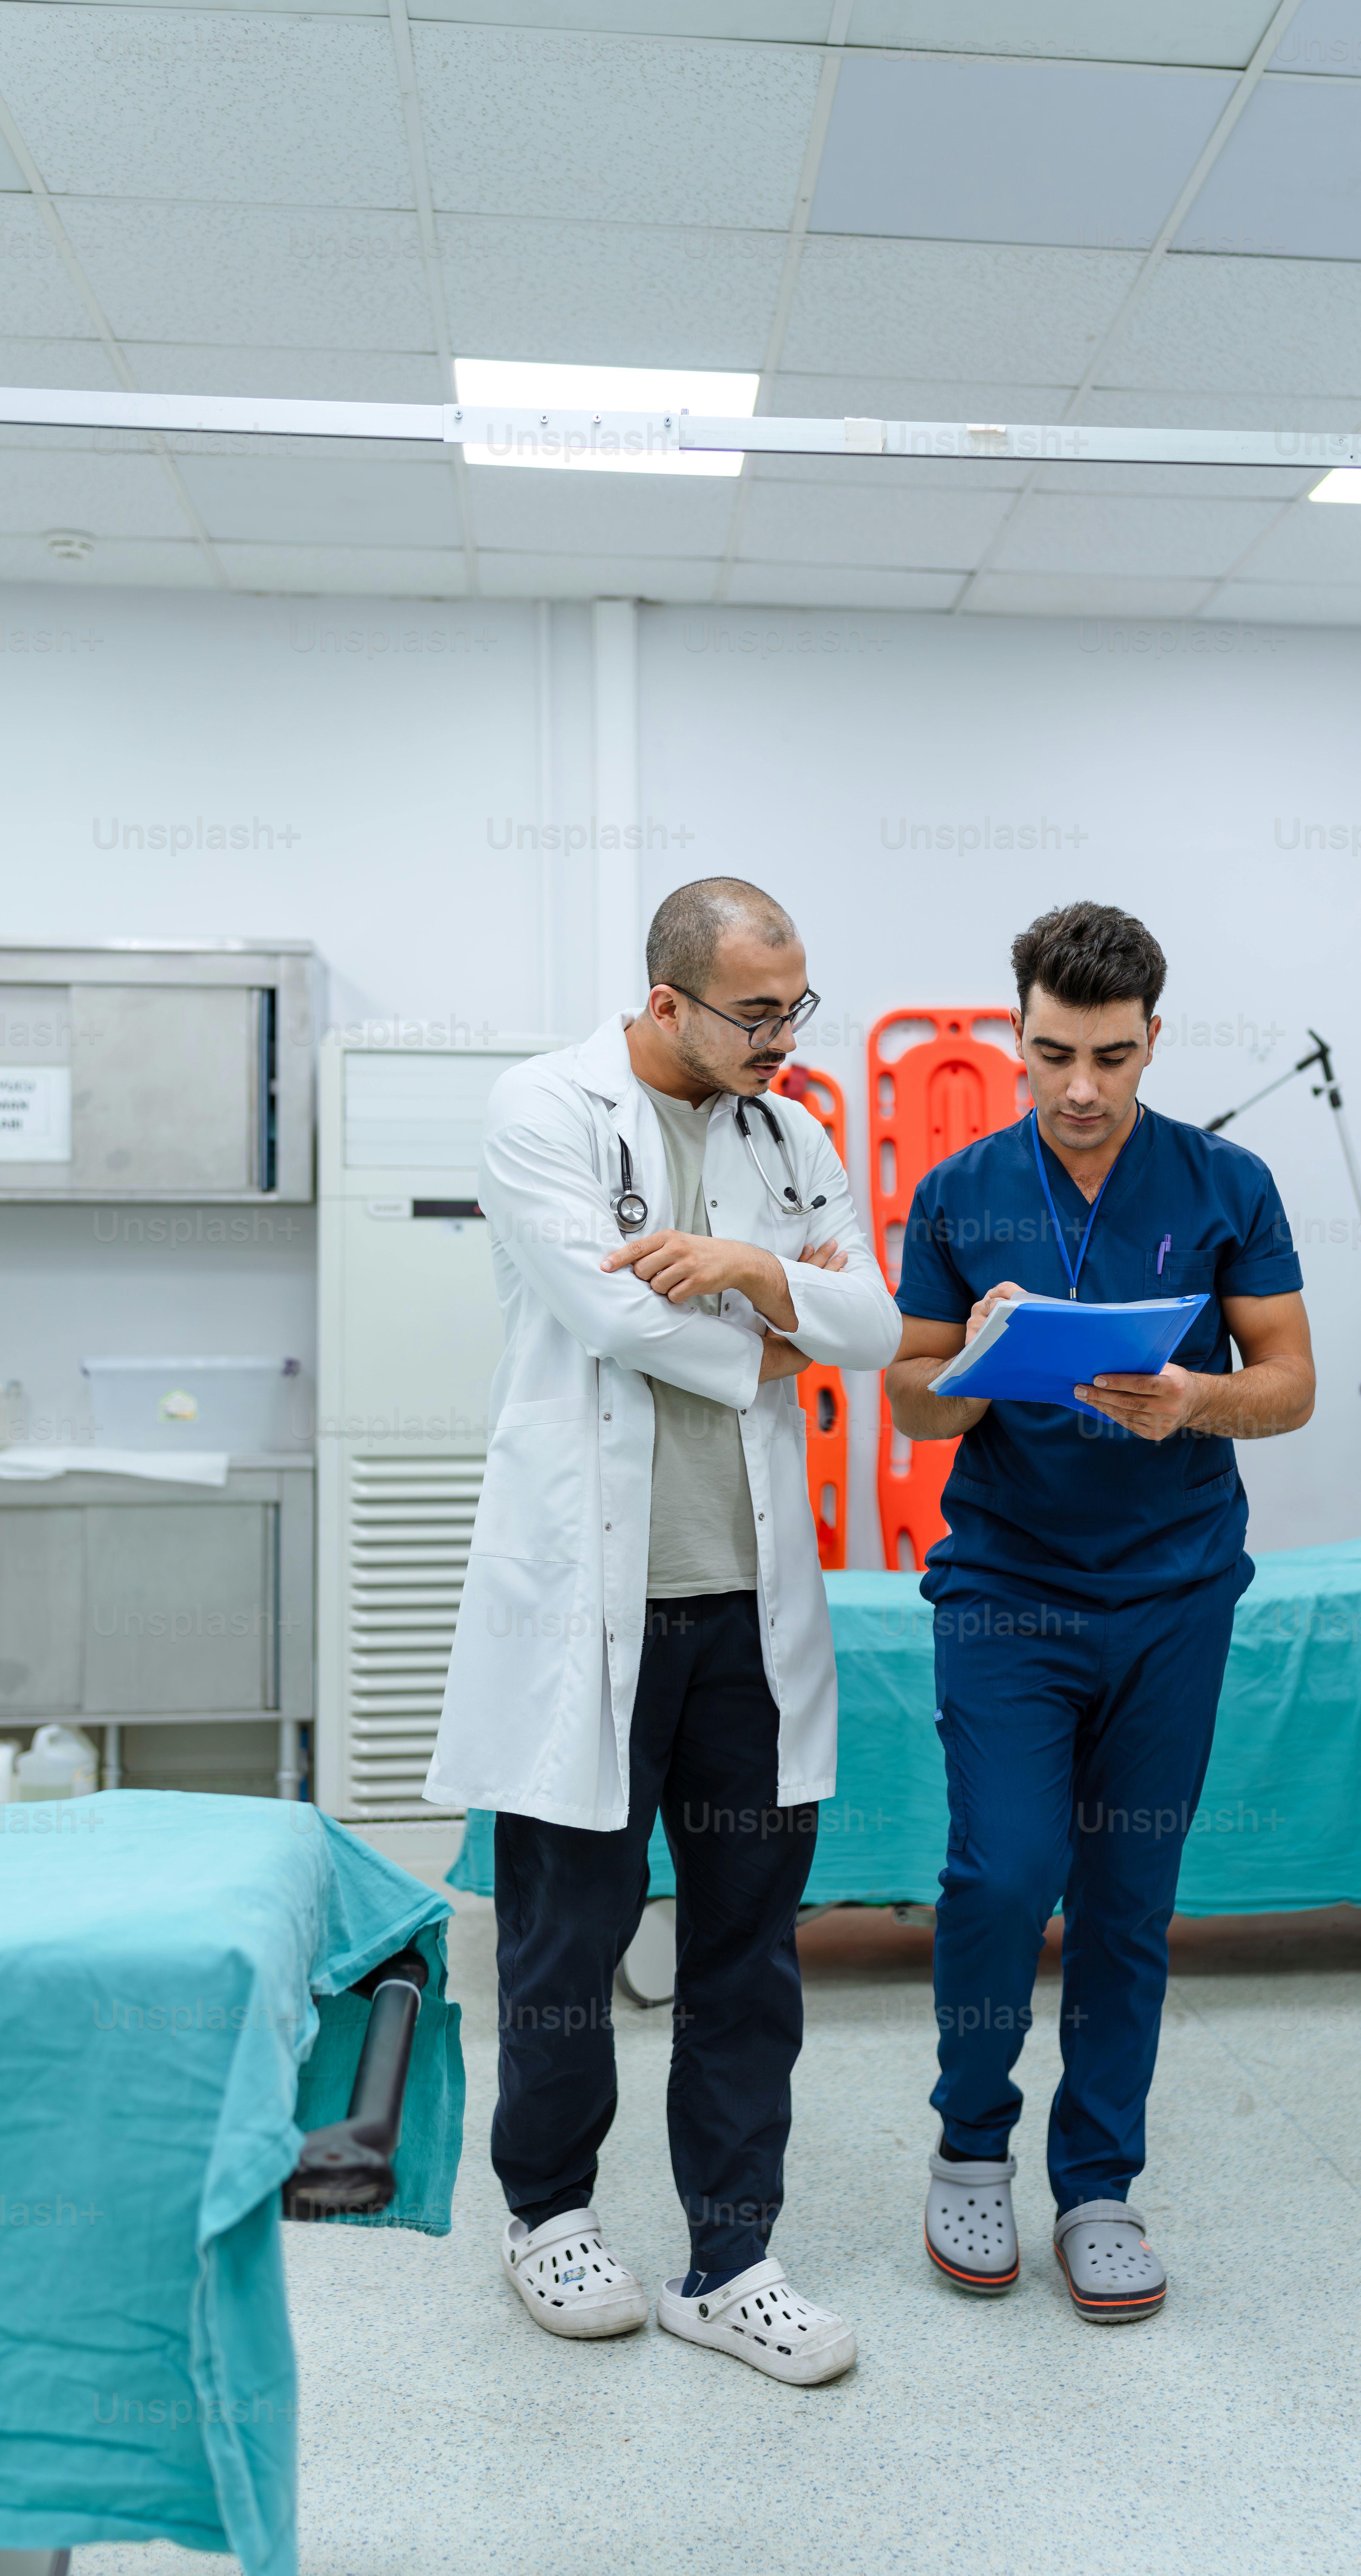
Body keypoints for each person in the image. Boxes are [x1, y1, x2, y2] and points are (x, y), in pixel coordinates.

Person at [425, 876, 899, 2386]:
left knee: (749, 1952)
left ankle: (730, 2259)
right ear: (666, 996)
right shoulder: (542, 1111)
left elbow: (879, 1330)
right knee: (567, 1939)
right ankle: (547, 2216)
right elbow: (617, 1317)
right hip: (589, 1615)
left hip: (749, 1624)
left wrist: (766, 1278)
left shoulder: (792, 1130)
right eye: (757, 1012)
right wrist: (788, 1337)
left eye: (795, 1007)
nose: (782, 1036)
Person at [884, 901, 1314, 2324]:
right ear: (1018, 1030)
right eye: (1053, 1051)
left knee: (1130, 1901)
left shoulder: (1226, 1181)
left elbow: (1291, 1383)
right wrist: (988, 1354)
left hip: (1177, 1593)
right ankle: (967, 2146)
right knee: (1004, 1875)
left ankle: (1100, 2185)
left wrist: (1197, 1399)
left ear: (1151, 1044)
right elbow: (912, 1402)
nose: (1079, 1087)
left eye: (1111, 1057)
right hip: (1008, 1590)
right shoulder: (959, 1193)